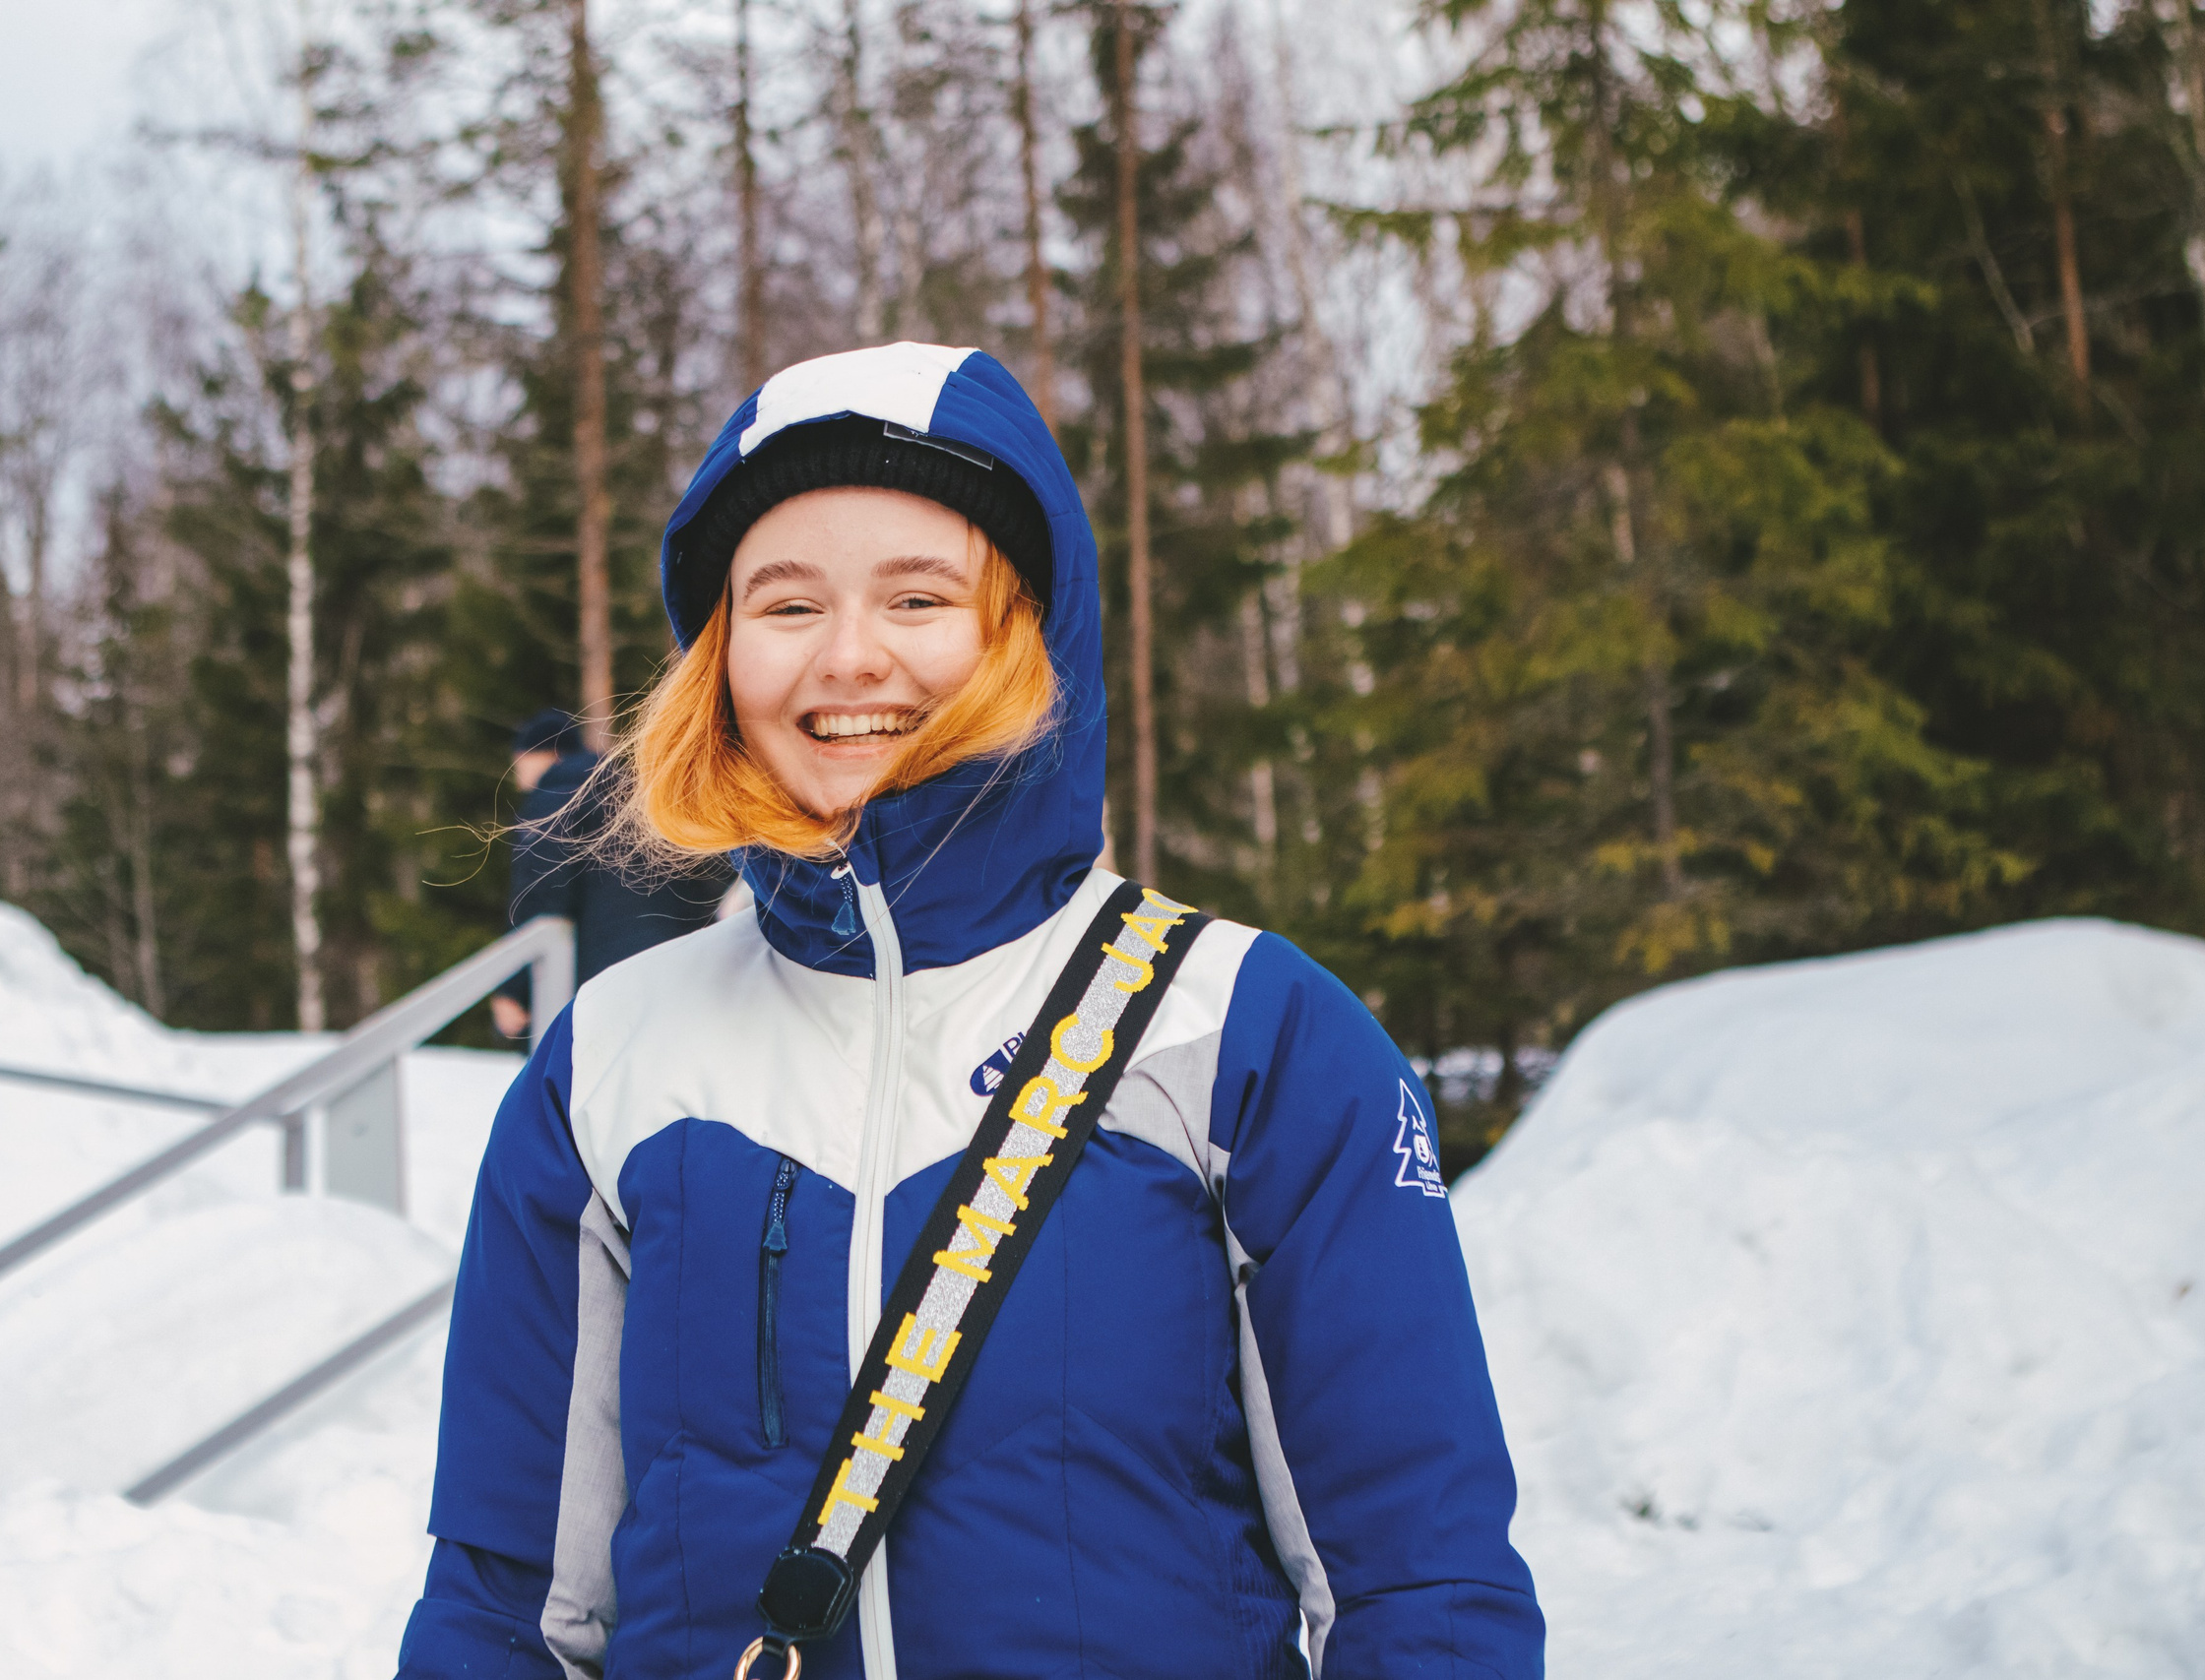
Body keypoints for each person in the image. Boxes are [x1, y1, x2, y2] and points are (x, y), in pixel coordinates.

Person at [399, 343, 1543, 1680]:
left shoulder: (1250, 1029)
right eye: (783, 604)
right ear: (719, 652)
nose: (848, 657)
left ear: (1026, 628)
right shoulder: (609, 1059)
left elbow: (1417, 1583)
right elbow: (506, 1610)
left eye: (919, 595)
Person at [490, 713, 734, 1040]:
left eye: (519, 760)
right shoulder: (641, 793)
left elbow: (539, 893)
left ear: (546, 755)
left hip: (599, 988)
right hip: (680, 975)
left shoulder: (554, 798)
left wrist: (513, 988)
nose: (517, 773)